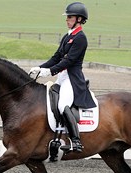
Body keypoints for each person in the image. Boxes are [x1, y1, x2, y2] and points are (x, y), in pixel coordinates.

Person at [29, 2, 96, 152]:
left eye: (70, 17)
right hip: (62, 78)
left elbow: (68, 61)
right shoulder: (68, 36)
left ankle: (76, 142)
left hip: (72, 79)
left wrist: (50, 72)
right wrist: (40, 68)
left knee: (62, 105)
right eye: (67, 17)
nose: (67, 19)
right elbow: (56, 57)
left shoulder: (80, 38)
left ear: (79, 19)